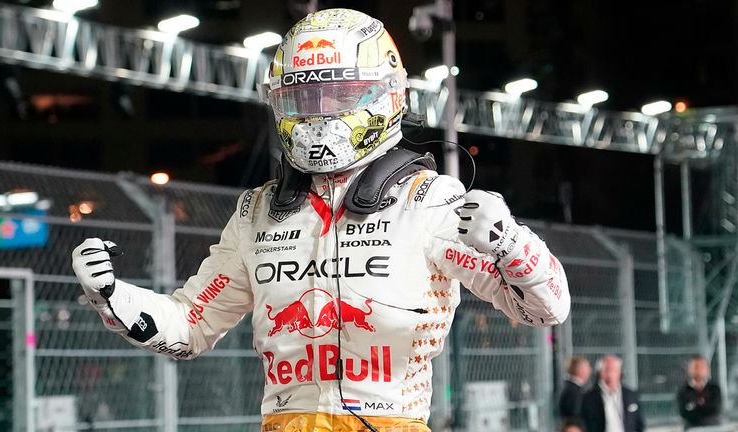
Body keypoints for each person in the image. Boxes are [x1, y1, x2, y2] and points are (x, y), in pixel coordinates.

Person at [71, 8, 571, 432]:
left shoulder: (429, 201)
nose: (317, 116)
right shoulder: (257, 212)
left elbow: (545, 310)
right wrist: (113, 297)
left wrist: (509, 243)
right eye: (301, 100)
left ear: (384, 95)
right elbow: (191, 327)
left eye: (337, 96)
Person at [580, 355, 644, 432]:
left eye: (614, 370)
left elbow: (639, 423)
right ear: (600, 373)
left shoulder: (631, 395)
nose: (610, 374)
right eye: (607, 370)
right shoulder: (588, 397)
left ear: (620, 372)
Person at [677, 356, 722, 429]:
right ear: (689, 369)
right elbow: (683, 413)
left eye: (702, 367)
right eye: (695, 367)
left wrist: (695, 406)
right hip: (691, 427)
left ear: (707, 369)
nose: (699, 370)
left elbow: (715, 409)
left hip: (712, 427)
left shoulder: (714, 389)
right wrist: (702, 405)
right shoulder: (683, 391)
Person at [558, 355, 592, 420]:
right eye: (587, 368)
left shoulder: (572, 388)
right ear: (579, 370)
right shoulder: (573, 391)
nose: (590, 371)